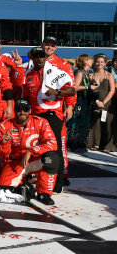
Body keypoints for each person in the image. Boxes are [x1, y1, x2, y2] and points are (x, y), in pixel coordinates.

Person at [22, 46, 75, 193]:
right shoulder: (29, 74)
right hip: (36, 116)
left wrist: (58, 92)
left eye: (41, 56)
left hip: (52, 116)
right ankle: (42, 179)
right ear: (32, 58)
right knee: (38, 148)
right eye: (36, 56)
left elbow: (71, 90)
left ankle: (58, 183)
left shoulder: (56, 71)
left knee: (55, 149)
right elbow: (26, 96)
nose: (39, 58)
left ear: (45, 57)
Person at [0, 99, 60, 205]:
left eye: (25, 109)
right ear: (15, 111)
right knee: (3, 188)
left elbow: (53, 143)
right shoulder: (4, 125)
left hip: (36, 160)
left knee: (51, 159)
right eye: (19, 109)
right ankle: (24, 184)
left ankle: (44, 193)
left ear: (30, 110)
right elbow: (4, 154)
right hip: (16, 162)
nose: (22, 112)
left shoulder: (41, 122)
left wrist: (32, 151)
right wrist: (4, 142)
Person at [42, 36, 77, 179]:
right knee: (42, 141)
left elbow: (71, 87)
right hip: (40, 109)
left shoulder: (63, 64)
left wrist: (70, 106)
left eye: (52, 45)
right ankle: (42, 172)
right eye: (47, 44)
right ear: (43, 45)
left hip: (57, 109)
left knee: (60, 141)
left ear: (56, 47)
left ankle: (63, 174)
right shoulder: (37, 61)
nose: (49, 47)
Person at [88, 54, 115, 152]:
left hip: (107, 103)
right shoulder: (91, 75)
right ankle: (96, 144)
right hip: (95, 103)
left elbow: (112, 90)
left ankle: (108, 145)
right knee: (96, 124)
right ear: (95, 63)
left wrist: (103, 102)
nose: (100, 64)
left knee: (108, 124)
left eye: (102, 62)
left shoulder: (109, 75)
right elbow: (89, 91)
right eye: (98, 61)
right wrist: (97, 102)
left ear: (105, 63)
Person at [67, 54, 93, 152]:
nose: (91, 61)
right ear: (85, 61)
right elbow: (75, 87)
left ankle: (81, 143)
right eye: (90, 59)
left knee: (83, 124)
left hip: (85, 102)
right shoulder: (80, 73)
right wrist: (88, 87)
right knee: (76, 124)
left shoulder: (87, 72)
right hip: (79, 102)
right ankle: (74, 144)